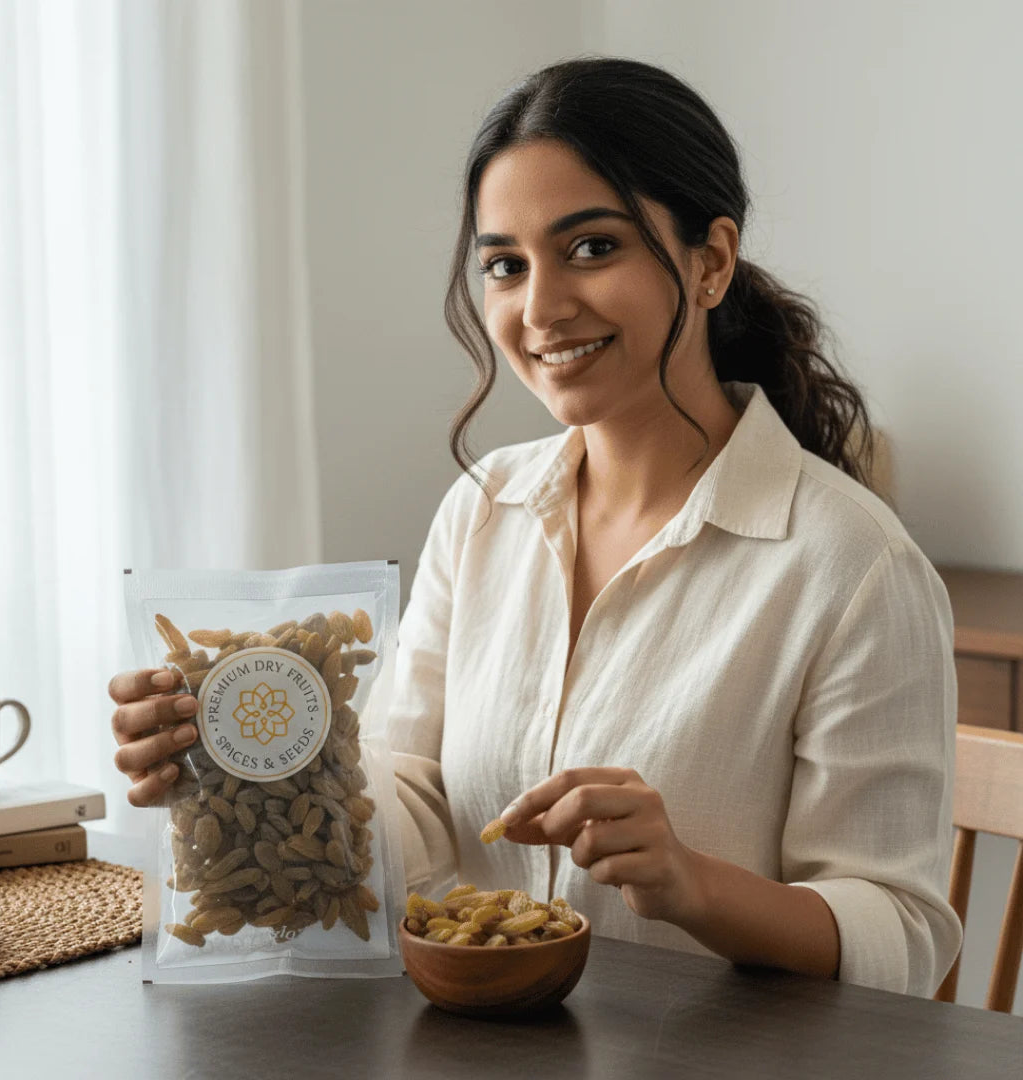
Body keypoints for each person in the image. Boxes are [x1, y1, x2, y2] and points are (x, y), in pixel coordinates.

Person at [108, 57, 962, 996]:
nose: (541, 308)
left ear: (711, 261)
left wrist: (689, 881)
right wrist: (244, 764)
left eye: (593, 247)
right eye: (505, 265)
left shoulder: (855, 567)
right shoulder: (485, 509)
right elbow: (421, 799)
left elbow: (904, 934)